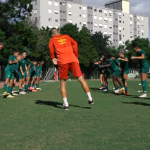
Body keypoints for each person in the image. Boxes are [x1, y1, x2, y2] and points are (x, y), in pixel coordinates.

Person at [48, 28, 94, 110]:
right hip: (72, 59)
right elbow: (75, 44)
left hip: (62, 61)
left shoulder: (52, 39)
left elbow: (50, 48)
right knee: (80, 78)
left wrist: (52, 58)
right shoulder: (66, 36)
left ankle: (66, 105)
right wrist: (75, 56)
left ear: (51, 34)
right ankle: (90, 98)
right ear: (58, 32)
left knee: (63, 82)